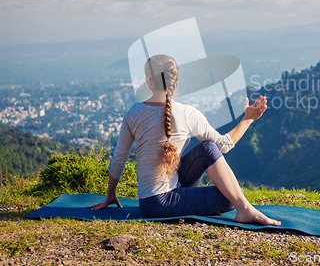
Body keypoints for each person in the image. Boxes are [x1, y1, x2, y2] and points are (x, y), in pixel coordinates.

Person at [91, 54, 281, 226]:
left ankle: (242, 208)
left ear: (148, 83)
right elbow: (224, 145)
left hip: (149, 200)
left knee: (208, 149)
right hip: (160, 203)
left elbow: (119, 159)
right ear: (175, 80)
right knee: (229, 198)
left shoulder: (134, 112)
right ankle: (245, 210)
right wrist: (248, 120)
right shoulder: (187, 113)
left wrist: (110, 195)